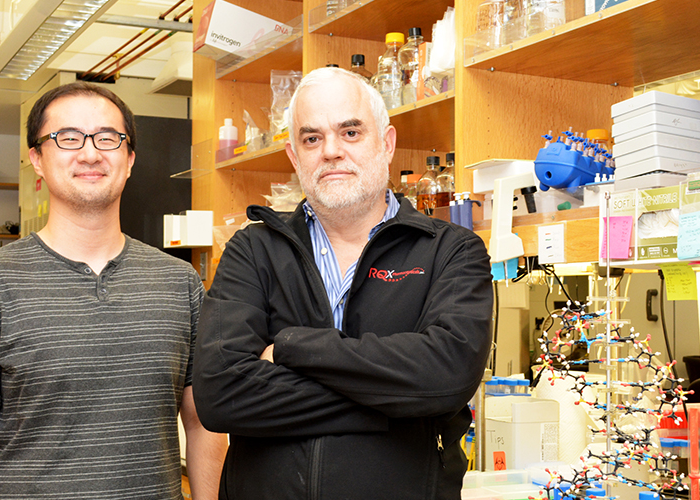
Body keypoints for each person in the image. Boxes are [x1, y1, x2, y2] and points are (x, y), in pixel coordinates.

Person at [193, 67, 493, 499]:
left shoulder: (450, 250)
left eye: (350, 132)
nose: (331, 151)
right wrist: (394, 406)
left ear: (385, 144)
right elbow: (221, 394)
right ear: (295, 157)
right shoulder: (254, 250)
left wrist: (293, 347)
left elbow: (446, 375)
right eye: (311, 138)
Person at [0, 82, 227, 500]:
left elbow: (203, 423)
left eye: (108, 138)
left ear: (129, 159)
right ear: (37, 158)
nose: (90, 153)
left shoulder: (181, 285)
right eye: (67, 138)